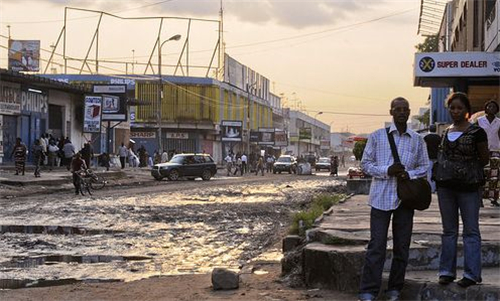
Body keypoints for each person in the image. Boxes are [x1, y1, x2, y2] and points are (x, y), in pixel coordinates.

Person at [358, 97, 429, 301]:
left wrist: (410, 175)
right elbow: (366, 164)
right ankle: (368, 291)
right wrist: (386, 170)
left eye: (404, 109)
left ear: (408, 112)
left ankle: (394, 289)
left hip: (405, 200)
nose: (401, 112)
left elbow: (424, 167)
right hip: (380, 199)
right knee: (377, 246)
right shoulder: (377, 137)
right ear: (391, 112)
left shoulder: (417, 139)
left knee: (402, 247)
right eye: (397, 109)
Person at [434, 92, 489, 288]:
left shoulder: (477, 132)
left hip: (469, 188)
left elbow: (484, 159)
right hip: (446, 188)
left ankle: (471, 274)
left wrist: (465, 168)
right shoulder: (446, 132)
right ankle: (446, 272)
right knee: (448, 231)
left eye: (460, 108)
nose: (455, 111)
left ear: (467, 111)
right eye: (452, 108)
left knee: (471, 231)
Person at [477, 100, 500, 207]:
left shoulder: (499, 122)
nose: (491, 108)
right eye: (489, 106)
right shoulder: (479, 121)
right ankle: (479, 199)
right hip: (482, 150)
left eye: (494, 107)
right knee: (482, 175)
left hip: (495, 150)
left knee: (494, 176)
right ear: (485, 108)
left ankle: (494, 198)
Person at [424, 124, 441, 193]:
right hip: (437, 158)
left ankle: (430, 189)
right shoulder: (438, 137)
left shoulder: (426, 137)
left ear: (429, 129)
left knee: (429, 174)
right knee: (436, 173)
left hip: (428, 157)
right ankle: (435, 188)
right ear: (435, 129)